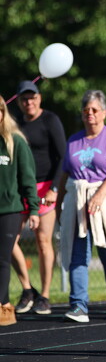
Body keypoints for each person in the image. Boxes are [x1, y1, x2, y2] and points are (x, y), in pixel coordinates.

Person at [56, 90, 106, 324]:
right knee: (77, 254)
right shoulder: (74, 140)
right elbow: (65, 173)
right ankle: (78, 305)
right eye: (86, 110)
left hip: (105, 200)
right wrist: (59, 203)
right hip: (78, 201)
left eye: (94, 110)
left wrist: (99, 196)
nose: (90, 114)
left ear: (104, 113)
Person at [12, 80, 66, 315]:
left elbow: (63, 156)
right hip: (20, 189)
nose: (29, 102)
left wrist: (54, 188)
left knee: (43, 241)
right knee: (8, 241)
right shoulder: (14, 123)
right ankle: (27, 289)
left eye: (32, 97)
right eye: (24, 99)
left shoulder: (50, 120)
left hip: (45, 188)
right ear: (19, 102)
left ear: (39, 98)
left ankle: (44, 295)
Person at [0, 96, 39, 326]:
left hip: (9, 210)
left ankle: (3, 306)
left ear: (3, 113)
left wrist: (33, 209)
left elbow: (27, 179)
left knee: (3, 259)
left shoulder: (16, 141)